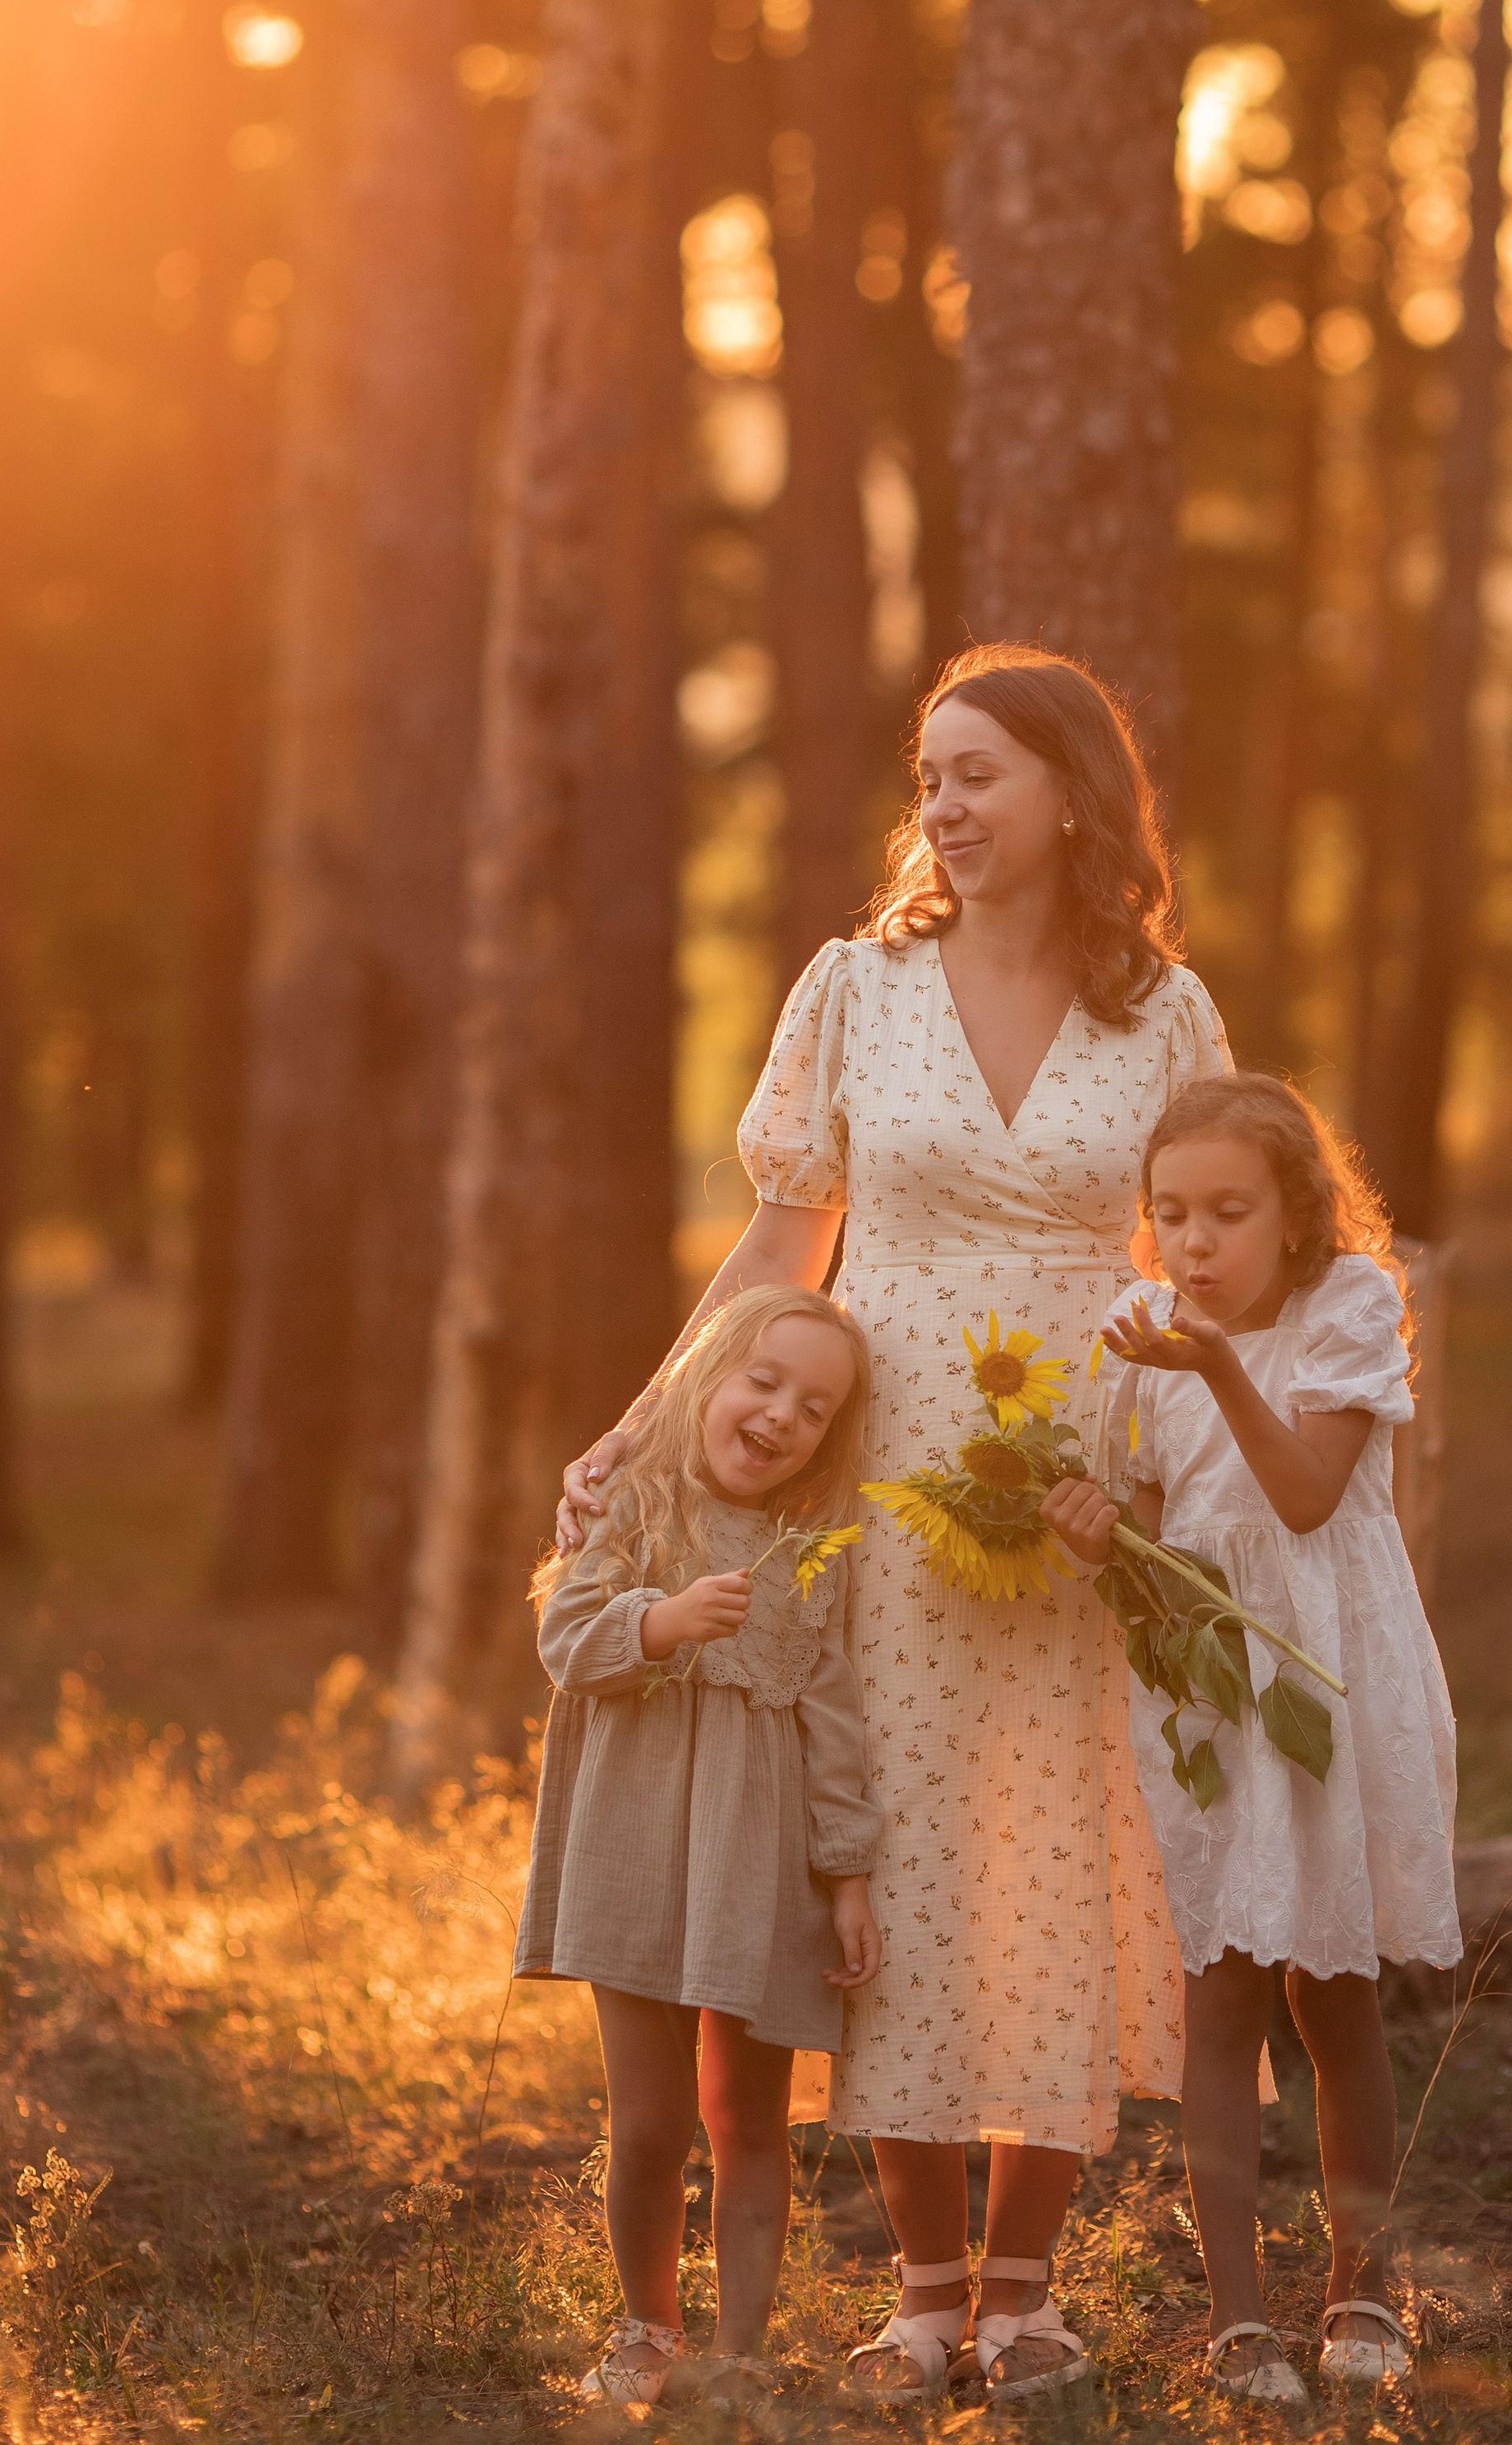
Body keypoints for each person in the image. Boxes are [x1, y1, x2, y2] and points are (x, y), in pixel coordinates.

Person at [558, 644, 1229, 2396]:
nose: (940, 803)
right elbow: (784, 1244)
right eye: (926, 775)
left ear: (1072, 791)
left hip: (1080, 1489)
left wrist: (1186, 1468)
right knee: (888, 1861)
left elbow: (1210, 1257)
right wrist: (640, 1440)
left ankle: (1024, 2283)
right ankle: (923, 2284)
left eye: (978, 772)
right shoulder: (856, 984)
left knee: (1063, 1851)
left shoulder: (1162, 1015)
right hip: (877, 1483)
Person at [1050, 1070, 1462, 2401]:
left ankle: (1364, 2288)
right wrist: (1104, 1544)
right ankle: (1237, 2317)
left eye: (1228, 1212)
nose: (1196, 1243)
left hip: (1328, 1676)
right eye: (1171, 1214)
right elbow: (1166, 1558)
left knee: (1333, 1993)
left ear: (1298, 1216)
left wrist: (1216, 1362)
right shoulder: (1139, 1338)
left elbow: (1299, 1499)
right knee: (1219, 1991)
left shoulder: (1348, 1311)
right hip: (1213, 1690)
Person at [518, 1286, 884, 2408]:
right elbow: (568, 1638)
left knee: (749, 2119)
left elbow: (834, 1721)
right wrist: (663, 1620)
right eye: (763, 1381)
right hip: (631, 1850)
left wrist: (850, 1875)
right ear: (707, 1378)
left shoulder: (811, 1552)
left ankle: (742, 2350)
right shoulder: (636, 1503)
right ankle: (645, 2328)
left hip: (753, 1870)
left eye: (813, 1407)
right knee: (651, 2119)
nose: (780, 1415)